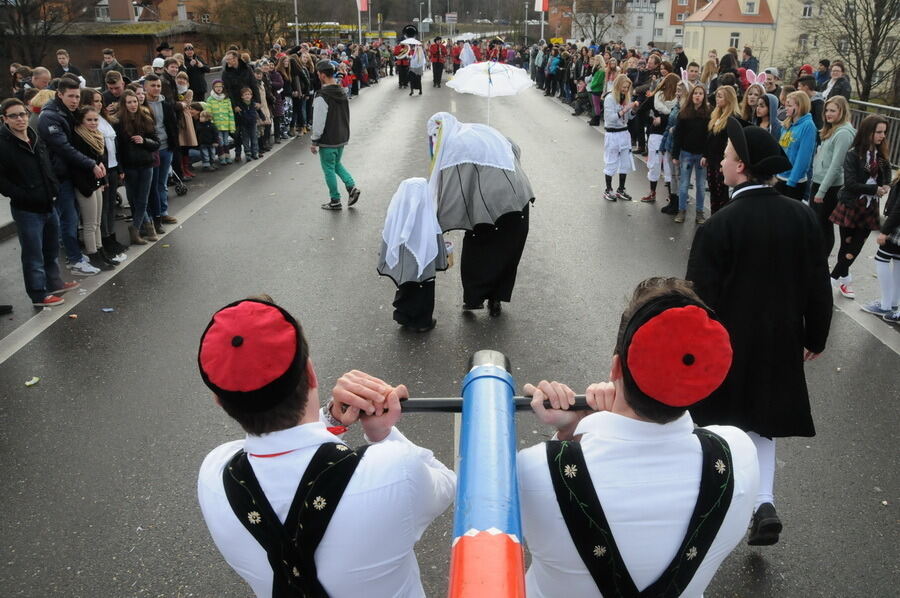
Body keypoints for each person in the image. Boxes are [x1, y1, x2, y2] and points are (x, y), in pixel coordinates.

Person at [196, 297, 455, 597]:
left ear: (219, 400)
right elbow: (448, 484)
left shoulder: (214, 476)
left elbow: (283, 451)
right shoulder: (396, 470)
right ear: (310, 373)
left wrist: (331, 419)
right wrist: (383, 433)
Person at [517, 276, 759, 597]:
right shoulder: (739, 454)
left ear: (616, 368)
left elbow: (480, 519)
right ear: (704, 379)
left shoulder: (534, 470)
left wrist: (572, 433)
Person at [687, 118, 832, 546]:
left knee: (717, 425)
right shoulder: (802, 217)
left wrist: (693, 351)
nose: (722, 161)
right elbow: (816, 284)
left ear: (742, 168)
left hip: (726, 345)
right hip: (779, 340)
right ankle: (763, 502)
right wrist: (815, 337)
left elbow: (697, 301)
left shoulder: (718, 226)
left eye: (728, 156)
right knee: (762, 424)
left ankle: (715, 507)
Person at [426, 112, 534, 317]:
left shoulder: (454, 146)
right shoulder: (481, 131)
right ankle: (496, 298)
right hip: (517, 196)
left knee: (477, 245)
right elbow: (515, 148)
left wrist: (437, 219)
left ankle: (473, 298)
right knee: (506, 250)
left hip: (493, 201)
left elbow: (448, 188)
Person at [0, 98, 80, 307]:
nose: (20, 119)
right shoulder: (3, 144)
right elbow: (3, 181)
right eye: (14, 116)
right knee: (33, 253)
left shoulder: (34, 136)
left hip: (48, 202)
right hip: (26, 208)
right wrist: (21, 194)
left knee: (51, 248)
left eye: (23, 114)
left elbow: (46, 167)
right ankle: (38, 294)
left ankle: (54, 282)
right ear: (4, 119)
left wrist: (52, 188)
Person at [37, 77, 102, 276]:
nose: (75, 101)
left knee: (71, 218)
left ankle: (75, 255)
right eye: (71, 96)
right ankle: (74, 260)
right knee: (69, 219)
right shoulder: (50, 116)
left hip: (69, 173)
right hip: (59, 175)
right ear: (60, 94)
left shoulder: (66, 112)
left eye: (77, 96)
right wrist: (90, 163)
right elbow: (63, 148)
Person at [828, 115, 893, 299]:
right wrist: (875, 189)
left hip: (870, 208)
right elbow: (850, 183)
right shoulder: (853, 154)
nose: (882, 136)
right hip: (851, 204)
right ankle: (844, 280)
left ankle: (831, 280)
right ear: (868, 132)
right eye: (878, 132)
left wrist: (886, 185)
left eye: (884, 132)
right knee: (846, 246)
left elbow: (887, 172)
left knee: (855, 247)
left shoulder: (881, 156)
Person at [377, 178, 448, 332]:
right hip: (424, 272)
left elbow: (387, 239)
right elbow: (437, 241)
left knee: (406, 287)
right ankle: (422, 322)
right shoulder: (428, 216)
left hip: (405, 271)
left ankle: (404, 316)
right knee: (424, 289)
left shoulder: (397, 216)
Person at [82, 88, 127, 262]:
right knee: (103, 209)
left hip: (114, 167)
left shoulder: (105, 120)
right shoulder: (90, 122)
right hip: (103, 170)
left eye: (100, 101)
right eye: (95, 101)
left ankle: (111, 238)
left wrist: (120, 168)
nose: (99, 104)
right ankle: (105, 241)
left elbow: (114, 147)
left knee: (110, 207)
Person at [310, 60, 360, 211]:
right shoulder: (342, 91)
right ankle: (351, 187)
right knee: (336, 164)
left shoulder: (322, 95)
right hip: (341, 136)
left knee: (328, 169)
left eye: (318, 74)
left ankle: (335, 200)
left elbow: (319, 121)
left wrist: (314, 140)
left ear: (323, 76)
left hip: (328, 138)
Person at [70, 105, 114, 271]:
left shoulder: (96, 135)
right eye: (89, 120)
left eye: (95, 119)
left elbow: (99, 159)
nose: (93, 123)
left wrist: (102, 180)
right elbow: (78, 163)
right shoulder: (78, 137)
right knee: (89, 223)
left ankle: (101, 251)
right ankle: (94, 254)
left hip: (96, 181)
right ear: (81, 121)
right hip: (85, 184)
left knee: (97, 221)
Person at [810, 96, 855, 257]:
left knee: (824, 225)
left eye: (833, 110)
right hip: (819, 181)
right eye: (827, 110)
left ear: (841, 111)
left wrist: (821, 191)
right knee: (816, 223)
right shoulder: (833, 128)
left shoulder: (843, 133)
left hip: (829, 186)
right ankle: (814, 255)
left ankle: (820, 258)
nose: (828, 114)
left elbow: (836, 166)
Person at [114, 89, 159, 245]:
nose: (133, 105)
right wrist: (120, 169)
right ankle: (145, 227)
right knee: (134, 198)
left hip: (146, 164)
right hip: (129, 166)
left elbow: (156, 143)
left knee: (143, 199)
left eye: (135, 101)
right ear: (124, 104)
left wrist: (144, 141)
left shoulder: (146, 118)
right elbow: (116, 149)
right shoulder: (118, 122)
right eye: (129, 102)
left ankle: (137, 228)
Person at [143, 74, 178, 236]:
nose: (156, 88)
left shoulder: (166, 103)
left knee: (162, 183)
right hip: (150, 149)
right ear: (145, 87)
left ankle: (163, 212)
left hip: (166, 147)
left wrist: (173, 144)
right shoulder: (141, 104)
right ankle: (151, 215)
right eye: (153, 85)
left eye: (158, 85)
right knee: (151, 184)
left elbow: (172, 124)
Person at [637, 73, 679, 204]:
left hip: (671, 135)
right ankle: (652, 192)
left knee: (669, 166)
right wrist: (651, 120)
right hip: (656, 135)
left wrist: (663, 119)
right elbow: (641, 110)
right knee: (654, 163)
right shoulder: (657, 96)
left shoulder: (679, 100)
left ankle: (671, 195)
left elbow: (679, 116)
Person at [672, 83, 711, 224]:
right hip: (686, 153)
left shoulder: (708, 113)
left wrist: (706, 155)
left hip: (701, 155)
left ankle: (699, 213)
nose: (697, 96)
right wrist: (675, 155)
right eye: (695, 93)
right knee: (684, 184)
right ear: (691, 95)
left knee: (701, 186)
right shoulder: (684, 113)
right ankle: (681, 210)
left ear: (704, 96)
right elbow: (678, 135)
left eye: (700, 93)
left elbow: (709, 136)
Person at [702, 85, 742, 213]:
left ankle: (722, 221)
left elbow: (731, 144)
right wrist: (705, 155)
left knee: (722, 194)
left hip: (723, 162)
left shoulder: (734, 118)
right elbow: (709, 139)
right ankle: (714, 218)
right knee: (713, 192)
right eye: (717, 96)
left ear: (729, 99)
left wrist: (726, 162)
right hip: (712, 161)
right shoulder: (716, 116)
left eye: (720, 96)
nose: (717, 99)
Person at [867, 173, 900, 322]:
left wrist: (885, 231)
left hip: (897, 228)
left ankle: (886, 304)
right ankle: (892, 303)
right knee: (898, 263)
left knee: (882, 259)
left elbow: (898, 209)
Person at [603, 75, 640, 202]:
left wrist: (633, 110)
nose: (625, 89)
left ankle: (621, 189)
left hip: (624, 133)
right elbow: (610, 118)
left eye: (627, 88)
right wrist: (624, 110)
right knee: (611, 162)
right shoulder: (609, 98)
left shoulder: (626, 97)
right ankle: (608, 189)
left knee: (625, 162)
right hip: (612, 134)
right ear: (618, 85)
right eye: (623, 87)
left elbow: (629, 118)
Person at [775, 91, 817, 200]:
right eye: (786, 105)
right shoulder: (787, 123)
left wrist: (792, 181)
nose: (786, 108)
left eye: (789, 105)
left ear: (800, 106)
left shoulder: (808, 126)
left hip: (794, 181)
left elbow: (804, 157)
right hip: (780, 177)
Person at [222, 50, 260, 162]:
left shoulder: (247, 68)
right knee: (237, 131)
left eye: (229, 59)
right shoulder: (226, 72)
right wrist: (234, 105)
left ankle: (254, 151)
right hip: (236, 103)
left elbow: (254, 84)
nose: (227, 61)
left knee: (252, 129)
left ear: (235, 58)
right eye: (227, 59)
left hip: (248, 100)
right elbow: (227, 90)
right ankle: (238, 152)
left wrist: (257, 100)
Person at [207, 80, 235, 164]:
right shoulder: (210, 99)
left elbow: (230, 113)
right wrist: (212, 125)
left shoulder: (227, 99)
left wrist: (232, 126)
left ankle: (227, 156)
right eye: (216, 86)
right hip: (217, 126)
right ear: (213, 88)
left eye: (220, 86)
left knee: (226, 141)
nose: (218, 88)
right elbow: (209, 113)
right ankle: (221, 157)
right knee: (220, 142)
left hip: (226, 125)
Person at [236, 87, 260, 161]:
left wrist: (262, 117)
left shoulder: (253, 103)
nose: (247, 96)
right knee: (245, 140)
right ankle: (247, 153)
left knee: (254, 138)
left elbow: (259, 111)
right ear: (242, 96)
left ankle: (255, 152)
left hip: (253, 123)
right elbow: (238, 115)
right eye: (245, 94)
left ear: (251, 95)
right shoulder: (240, 105)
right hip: (244, 124)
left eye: (249, 94)